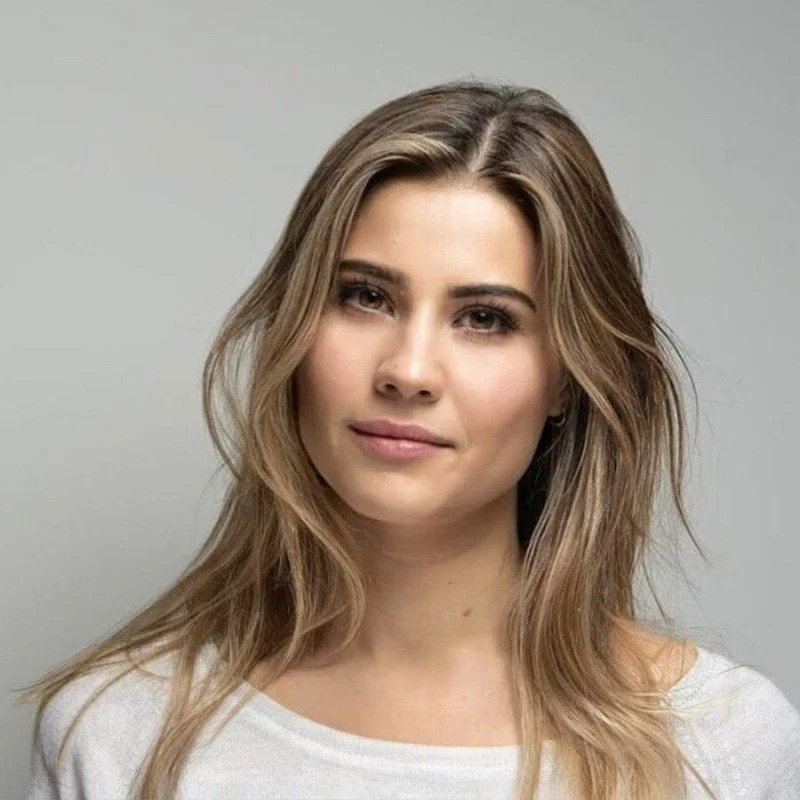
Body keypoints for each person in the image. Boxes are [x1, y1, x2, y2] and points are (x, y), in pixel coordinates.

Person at [19, 79, 800, 800]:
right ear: (296, 329)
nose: (408, 370)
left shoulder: (721, 745)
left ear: (567, 376)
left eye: (485, 318)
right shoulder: (122, 734)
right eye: (365, 297)